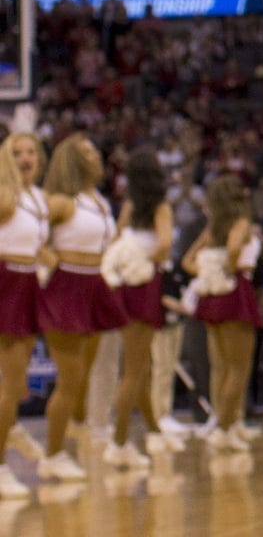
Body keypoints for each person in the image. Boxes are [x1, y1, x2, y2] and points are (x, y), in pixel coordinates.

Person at [37, 134, 125, 482]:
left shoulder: (98, 200)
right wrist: (48, 258)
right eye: (88, 151)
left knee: (83, 380)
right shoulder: (61, 201)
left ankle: (70, 437)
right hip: (67, 286)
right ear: (72, 160)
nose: (96, 155)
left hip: (94, 285)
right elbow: (25, 227)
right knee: (70, 380)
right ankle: (53, 454)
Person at [107, 149, 176, 467]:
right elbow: (164, 244)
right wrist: (148, 262)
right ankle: (118, 442)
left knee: (142, 366)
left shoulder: (130, 207)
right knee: (133, 371)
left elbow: (117, 240)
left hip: (125, 286)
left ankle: (154, 431)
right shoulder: (161, 207)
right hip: (145, 286)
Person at [186, 175, 263, 449]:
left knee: (222, 367)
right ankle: (223, 429)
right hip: (236, 291)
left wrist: (208, 272)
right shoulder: (240, 224)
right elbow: (233, 250)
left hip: (212, 297)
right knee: (238, 369)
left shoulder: (212, 228)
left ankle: (228, 425)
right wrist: (228, 268)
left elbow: (187, 261)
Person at [0, 134, 43, 500]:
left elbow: (41, 248)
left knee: (15, 384)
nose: (25, 159)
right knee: (9, 385)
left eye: (31, 152)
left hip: (28, 282)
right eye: (16, 153)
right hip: (6, 278)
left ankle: (11, 429)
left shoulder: (38, 198)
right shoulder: (5, 192)